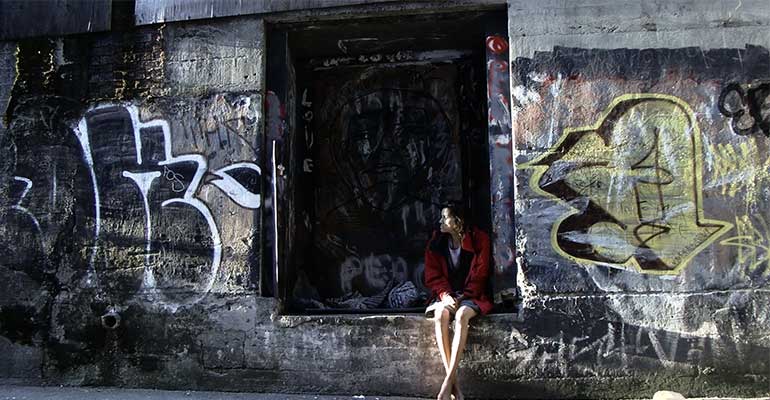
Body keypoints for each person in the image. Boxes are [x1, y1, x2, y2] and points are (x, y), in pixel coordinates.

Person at [424, 205, 492, 400]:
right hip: (447, 295)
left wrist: (464, 296)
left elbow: (481, 274)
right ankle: (454, 386)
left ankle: (447, 382)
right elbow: (433, 275)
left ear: (458, 222)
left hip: (472, 296)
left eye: (445, 218)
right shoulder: (436, 242)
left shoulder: (480, 239)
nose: (440, 222)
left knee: (462, 314)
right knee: (440, 315)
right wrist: (445, 295)